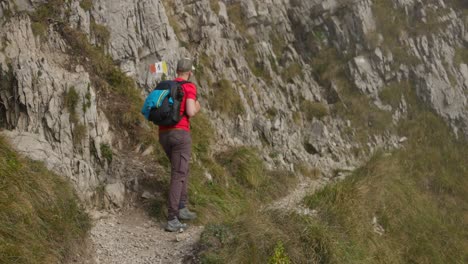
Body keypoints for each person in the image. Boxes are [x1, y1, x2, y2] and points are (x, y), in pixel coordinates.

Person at [159, 58, 201, 232]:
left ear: (177, 71)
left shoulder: (167, 85)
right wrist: (198, 106)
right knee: (178, 173)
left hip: (163, 134)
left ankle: (182, 207)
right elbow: (190, 111)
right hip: (180, 134)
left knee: (182, 170)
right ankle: (172, 218)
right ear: (189, 72)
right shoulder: (189, 87)